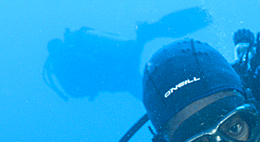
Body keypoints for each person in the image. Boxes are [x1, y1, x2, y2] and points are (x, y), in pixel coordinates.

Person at [44, 8, 211, 101]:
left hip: (119, 78)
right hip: (122, 65)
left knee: (156, 100)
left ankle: (188, 100)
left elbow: (75, 92)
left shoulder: (59, 65)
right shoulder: (76, 44)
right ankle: (203, 16)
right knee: (147, 35)